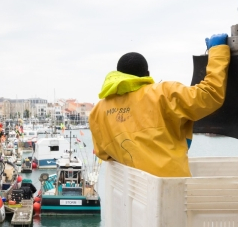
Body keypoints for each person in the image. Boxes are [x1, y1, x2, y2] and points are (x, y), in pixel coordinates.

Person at [89, 33, 230, 177]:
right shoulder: (164, 93)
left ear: (118, 75)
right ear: (147, 74)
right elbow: (209, 95)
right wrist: (218, 52)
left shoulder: (98, 111)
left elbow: (102, 153)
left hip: (131, 191)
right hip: (169, 188)